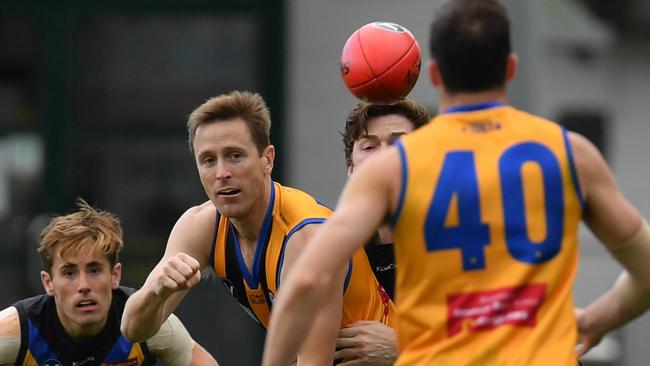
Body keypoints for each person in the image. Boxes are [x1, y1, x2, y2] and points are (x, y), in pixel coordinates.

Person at [262, 0, 650, 365]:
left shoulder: (394, 167)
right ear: (511, 69)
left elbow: (308, 279)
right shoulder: (570, 153)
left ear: (434, 75)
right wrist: (599, 319)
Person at [120, 91, 395, 365]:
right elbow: (133, 329)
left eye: (235, 156)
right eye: (208, 160)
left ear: (268, 159)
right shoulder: (200, 226)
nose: (221, 173)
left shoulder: (305, 236)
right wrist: (157, 291)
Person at [0, 199, 218, 366]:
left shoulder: (149, 322)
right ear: (48, 283)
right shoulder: (19, 330)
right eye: (69, 273)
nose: (84, 285)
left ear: (115, 275)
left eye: (94, 270)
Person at [335, 100, 429, 365]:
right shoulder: (338, 257)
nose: (385, 156)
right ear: (351, 170)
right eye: (369, 146)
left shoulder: (461, 246)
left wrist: (403, 349)